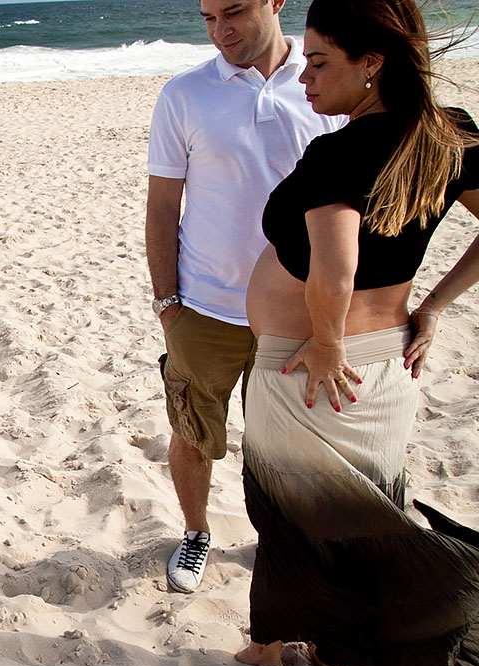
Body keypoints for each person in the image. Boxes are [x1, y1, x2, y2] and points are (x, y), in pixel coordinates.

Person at [236, 0, 479, 666]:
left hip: (315, 369)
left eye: (319, 63)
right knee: (359, 515)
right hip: (386, 366)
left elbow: (335, 273)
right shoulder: (447, 135)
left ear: (373, 63)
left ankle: (268, 649)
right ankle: (337, 653)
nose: (305, 78)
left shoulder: (337, 152)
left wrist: (327, 345)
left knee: (287, 516)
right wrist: (431, 307)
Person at [147, 0, 343, 592]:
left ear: (276, 2)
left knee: (285, 449)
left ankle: (277, 540)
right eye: (208, 18)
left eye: (233, 12)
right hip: (203, 309)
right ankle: (197, 532)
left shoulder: (323, 87)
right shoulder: (184, 95)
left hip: (295, 314)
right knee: (192, 432)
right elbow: (162, 207)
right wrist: (167, 305)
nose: (219, 31)